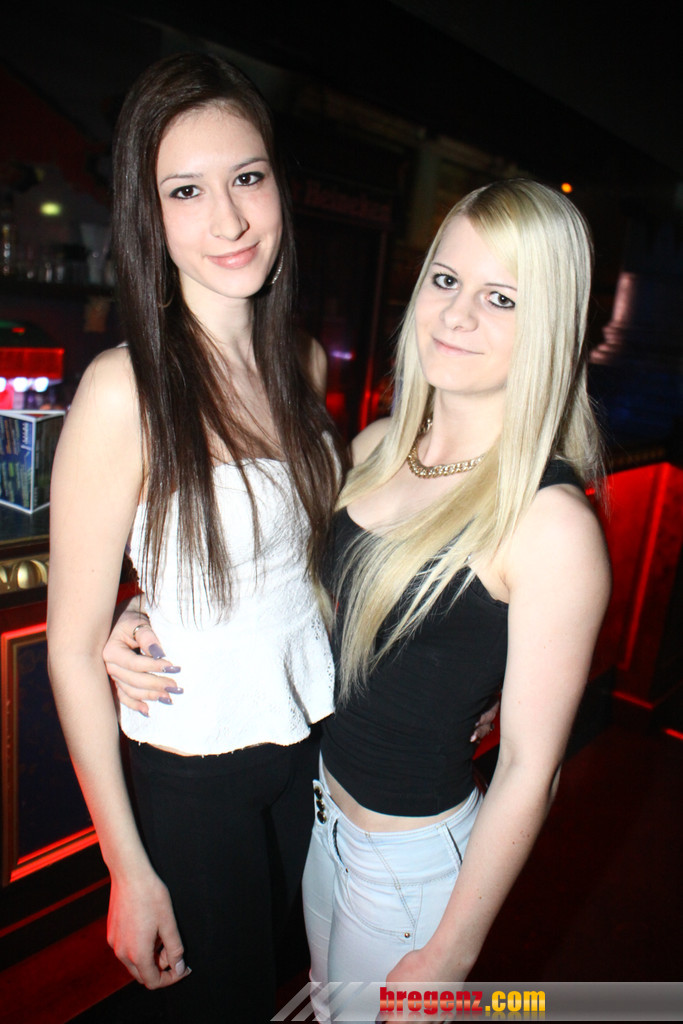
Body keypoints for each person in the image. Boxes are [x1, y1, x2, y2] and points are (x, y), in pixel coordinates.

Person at [46, 52, 342, 1022]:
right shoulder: (122, 390)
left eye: (246, 177)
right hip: (192, 763)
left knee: (288, 978)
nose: (228, 220)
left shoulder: (303, 360)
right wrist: (125, 870)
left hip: (305, 740)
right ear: (150, 215)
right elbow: (68, 650)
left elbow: (301, 563)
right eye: (186, 190)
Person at [300, 179, 611, 1015]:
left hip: (409, 869)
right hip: (322, 820)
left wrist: (451, 951)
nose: (456, 314)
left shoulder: (548, 524)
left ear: (550, 327)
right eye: (445, 279)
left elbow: (529, 767)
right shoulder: (371, 450)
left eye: (501, 297)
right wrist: (141, 616)